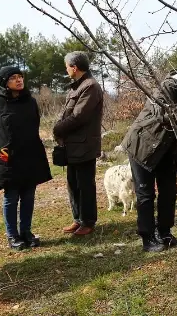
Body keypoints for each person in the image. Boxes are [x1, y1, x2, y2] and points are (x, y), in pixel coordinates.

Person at [124, 58, 177, 251]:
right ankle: (148, 238)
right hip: (143, 146)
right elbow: (160, 111)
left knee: (169, 192)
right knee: (146, 194)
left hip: (168, 150)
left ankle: (165, 233)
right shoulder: (170, 85)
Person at [0, 66, 52, 250]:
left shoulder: (30, 102)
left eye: (20, 76)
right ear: (5, 82)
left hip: (30, 155)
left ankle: (26, 232)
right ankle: (12, 235)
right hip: (8, 159)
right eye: (13, 77)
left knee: (28, 196)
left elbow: (34, 126)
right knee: (11, 197)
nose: (19, 80)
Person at [53, 52, 104, 236]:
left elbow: (79, 116)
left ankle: (88, 222)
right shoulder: (77, 86)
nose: (66, 70)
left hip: (84, 146)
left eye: (67, 66)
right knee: (73, 184)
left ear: (74, 68)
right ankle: (78, 219)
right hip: (73, 146)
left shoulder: (91, 86)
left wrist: (58, 129)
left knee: (85, 185)